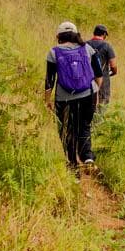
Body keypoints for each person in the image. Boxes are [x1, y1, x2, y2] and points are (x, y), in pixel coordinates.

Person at [44, 21, 103, 170]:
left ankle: (73, 166)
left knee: (66, 130)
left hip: (64, 98)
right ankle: (88, 158)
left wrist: (47, 101)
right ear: (76, 34)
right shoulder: (88, 48)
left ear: (58, 36)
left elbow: (49, 80)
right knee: (84, 126)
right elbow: (98, 74)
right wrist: (95, 92)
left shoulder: (53, 52)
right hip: (88, 94)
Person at [87, 24, 117, 108]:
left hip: (87, 78)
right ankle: (98, 120)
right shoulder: (107, 46)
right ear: (104, 34)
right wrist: (111, 73)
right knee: (102, 102)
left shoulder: (85, 45)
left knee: (87, 100)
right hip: (103, 79)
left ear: (94, 33)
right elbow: (113, 66)